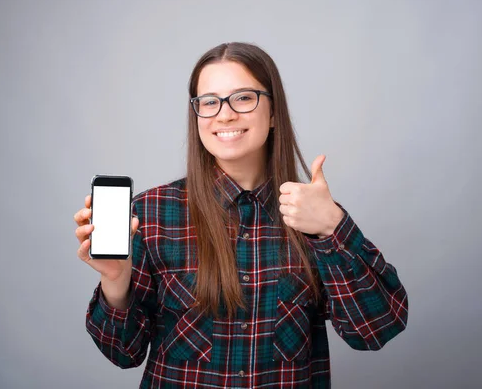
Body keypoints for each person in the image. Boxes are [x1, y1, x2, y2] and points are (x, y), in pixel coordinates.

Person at [74, 42, 408, 388]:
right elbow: (122, 353)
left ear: (274, 111)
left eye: (244, 98)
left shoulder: (312, 214)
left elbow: (377, 329)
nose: (225, 114)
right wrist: (115, 281)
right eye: (209, 102)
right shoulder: (152, 213)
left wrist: (333, 227)